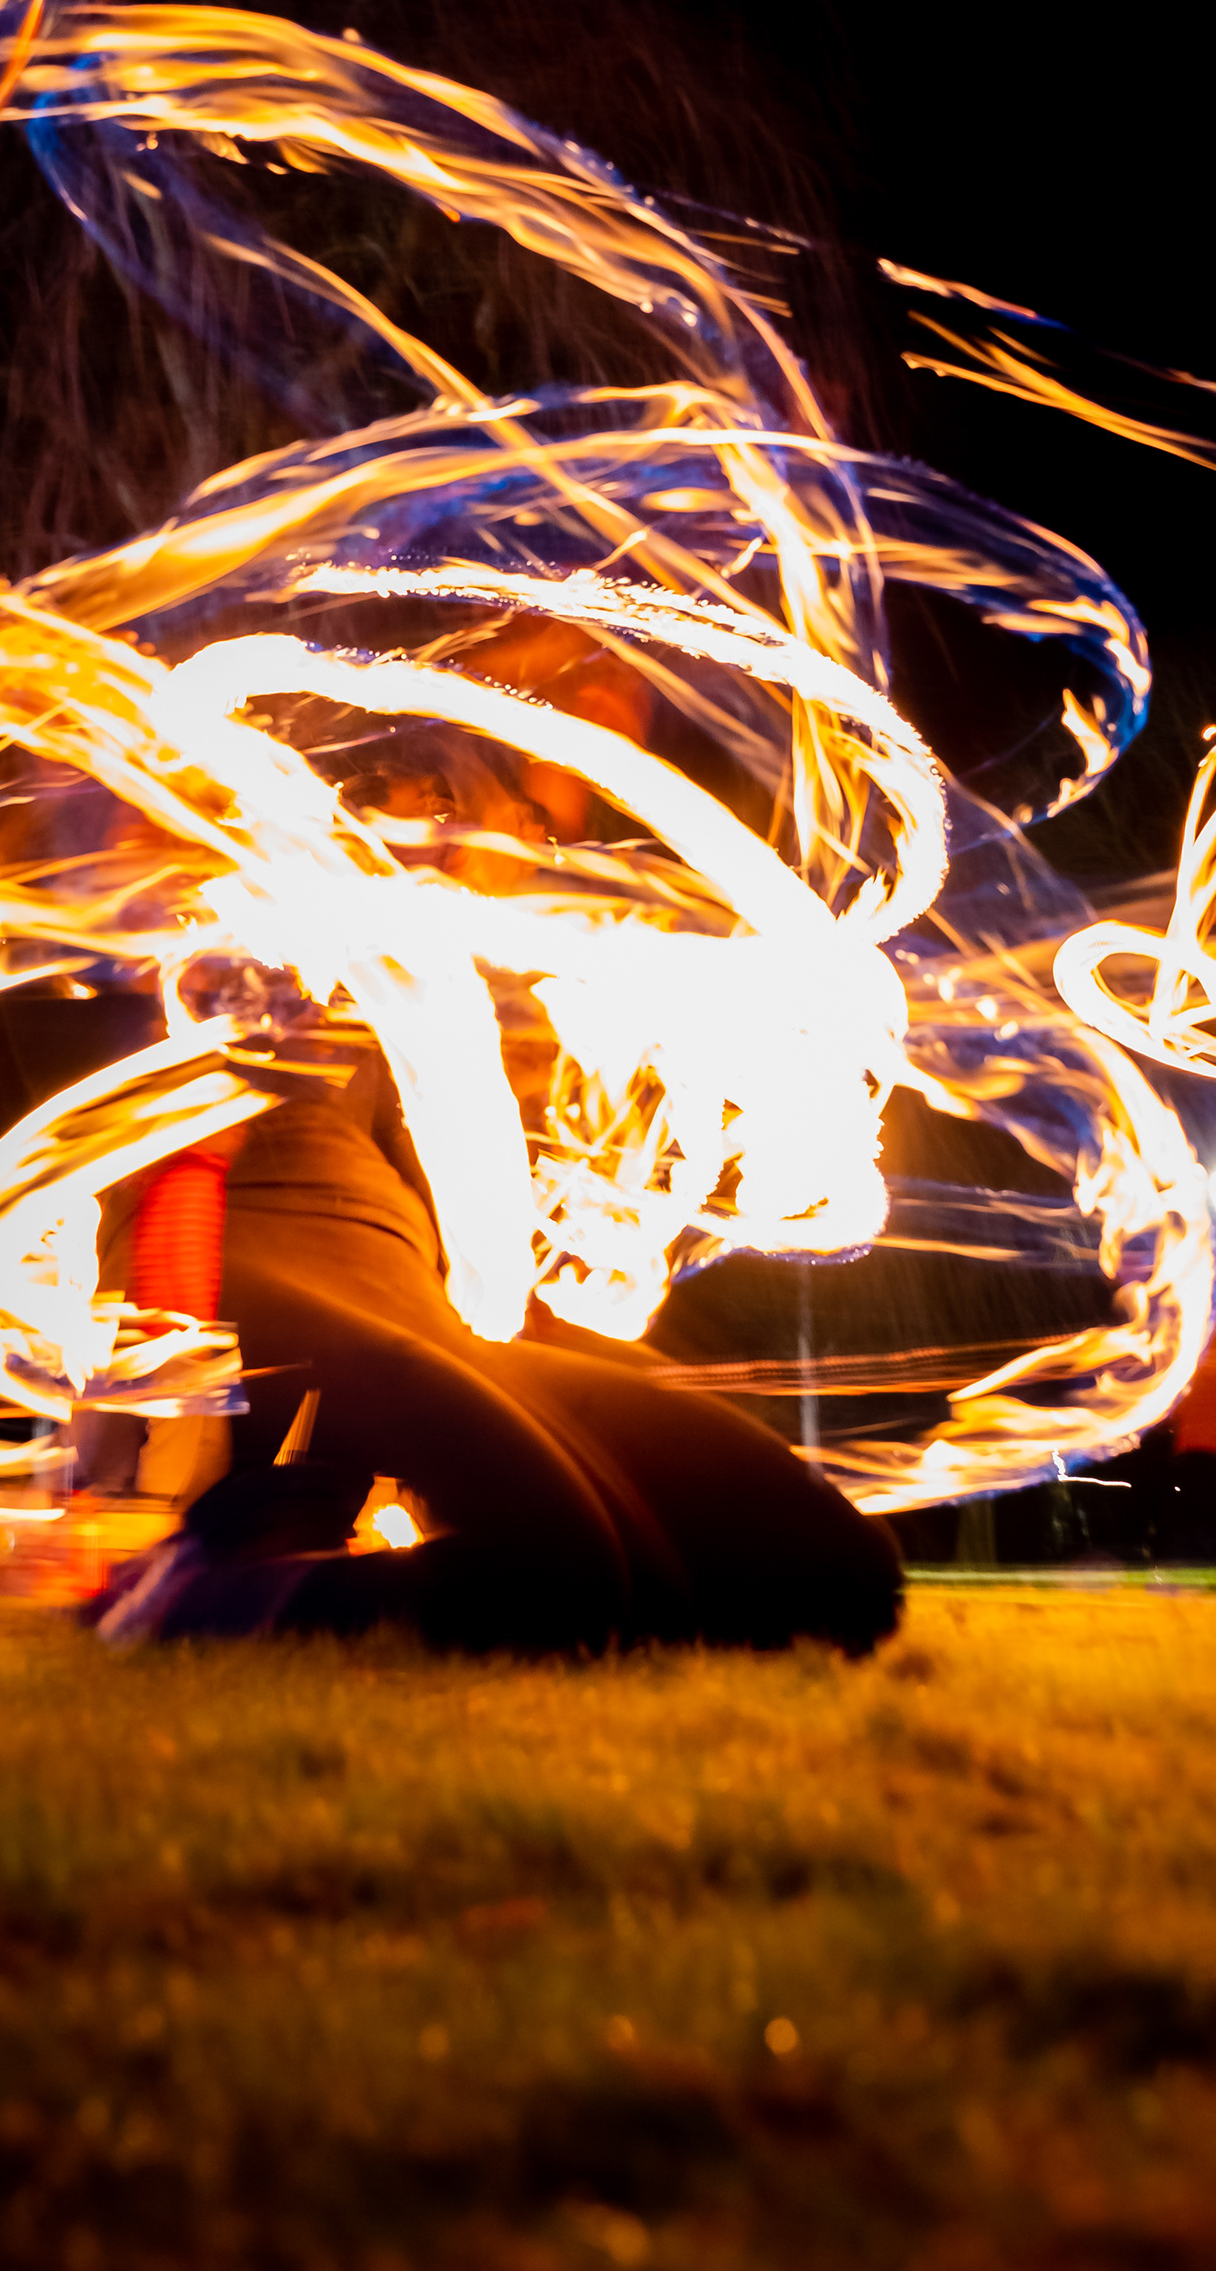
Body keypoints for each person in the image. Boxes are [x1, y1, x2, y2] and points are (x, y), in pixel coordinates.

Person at [78, 615, 903, 1656]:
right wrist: (165, 1380)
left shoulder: (453, 1009)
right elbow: (181, 1152)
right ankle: (178, 1599)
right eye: (517, 815)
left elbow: (504, 1225)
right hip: (282, 1278)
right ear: (414, 800)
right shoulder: (265, 911)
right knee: (570, 1576)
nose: (534, 853)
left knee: (838, 1574)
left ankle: (277, 1538)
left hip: (415, 1313)